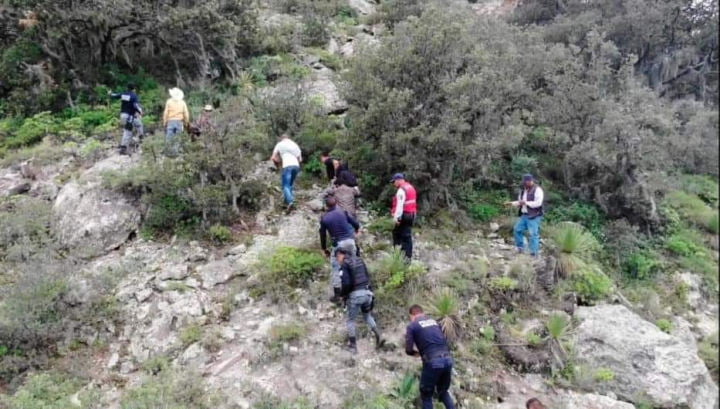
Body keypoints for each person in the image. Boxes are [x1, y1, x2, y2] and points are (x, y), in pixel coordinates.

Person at [405, 304, 456, 409]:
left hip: (433, 362)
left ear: (412, 315)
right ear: (422, 313)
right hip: (448, 359)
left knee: (426, 395)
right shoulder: (434, 322)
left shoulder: (412, 325)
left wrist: (417, 354)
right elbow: (444, 340)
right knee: (443, 392)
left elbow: (408, 350)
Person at [336, 247, 384, 353]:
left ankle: (353, 346)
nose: (337, 260)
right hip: (367, 294)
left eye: (337, 257)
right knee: (367, 316)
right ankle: (379, 336)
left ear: (341, 254)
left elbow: (346, 283)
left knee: (350, 321)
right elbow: (367, 276)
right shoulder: (359, 260)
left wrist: (342, 295)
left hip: (356, 296)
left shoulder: (345, 264)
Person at [319, 196, 360, 303]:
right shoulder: (343, 211)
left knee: (336, 268)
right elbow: (354, 223)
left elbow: (322, 235)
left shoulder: (325, 218)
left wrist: (323, 248)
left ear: (326, 206)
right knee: (353, 265)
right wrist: (356, 230)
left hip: (339, 244)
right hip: (351, 242)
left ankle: (338, 295)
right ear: (336, 203)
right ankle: (357, 289)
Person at [506, 174, 544, 257]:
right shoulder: (523, 191)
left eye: (527, 182)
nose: (525, 183)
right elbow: (520, 202)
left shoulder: (538, 190)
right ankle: (521, 248)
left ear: (531, 181)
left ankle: (534, 254)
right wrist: (511, 203)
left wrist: (526, 203)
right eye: (524, 182)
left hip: (534, 215)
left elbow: (538, 203)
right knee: (517, 229)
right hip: (524, 215)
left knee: (533, 234)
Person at [109, 83, 144, 155]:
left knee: (138, 124)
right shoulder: (134, 96)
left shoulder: (124, 94)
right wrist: (140, 111)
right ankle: (124, 148)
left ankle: (139, 138)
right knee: (128, 131)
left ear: (127, 88)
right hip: (129, 116)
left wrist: (110, 94)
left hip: (123, 115)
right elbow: (135, 106)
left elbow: (115, 96)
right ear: (134, 89)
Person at [271, 134, 302, 210]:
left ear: (282, 139)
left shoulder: (280, 144)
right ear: (288, 138)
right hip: (296, 166)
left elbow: (273, 157)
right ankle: (286, 202)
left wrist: (279, 162)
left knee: (285, 186)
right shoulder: (294, 144)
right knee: (290, 185)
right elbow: (300, 159)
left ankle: (291, 202)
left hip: (287, 166)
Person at [390, 173, 417, 261]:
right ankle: (407, 255)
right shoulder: (410, 187)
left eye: (394, 182)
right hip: (412, 214)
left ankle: (402, 256)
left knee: (398, 235)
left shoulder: (401, 190)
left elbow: (399, 206)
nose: (394, 184)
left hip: (404, 215)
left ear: (398, 180)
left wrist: (397, 218)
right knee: (407, 236)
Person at [162, 87, 190, 156]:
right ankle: (175, 153)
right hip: (179, 122)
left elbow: (165, 113)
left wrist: (164, 122)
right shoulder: (182, 102)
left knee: (169, 137)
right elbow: (186, 113)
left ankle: (168, 152)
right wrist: (186, 122)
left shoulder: (169, 101)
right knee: (178, 138)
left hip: (170, 121)